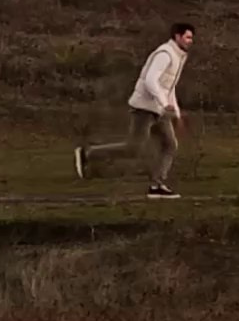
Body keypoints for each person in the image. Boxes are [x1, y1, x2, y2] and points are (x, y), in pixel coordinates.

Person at [76, 22, 193, 197]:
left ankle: (157, 185)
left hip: (159, 110)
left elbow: (169, 87)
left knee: (170, 145)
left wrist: (175, 112)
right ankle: (88, 153)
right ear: (177, 36)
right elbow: (150, 80)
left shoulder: (178, 56)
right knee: (133, 148)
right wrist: (164, 102)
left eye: (191, 38)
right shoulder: (165, 54)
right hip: (144, 108)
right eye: (188, 37)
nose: (191, 41)